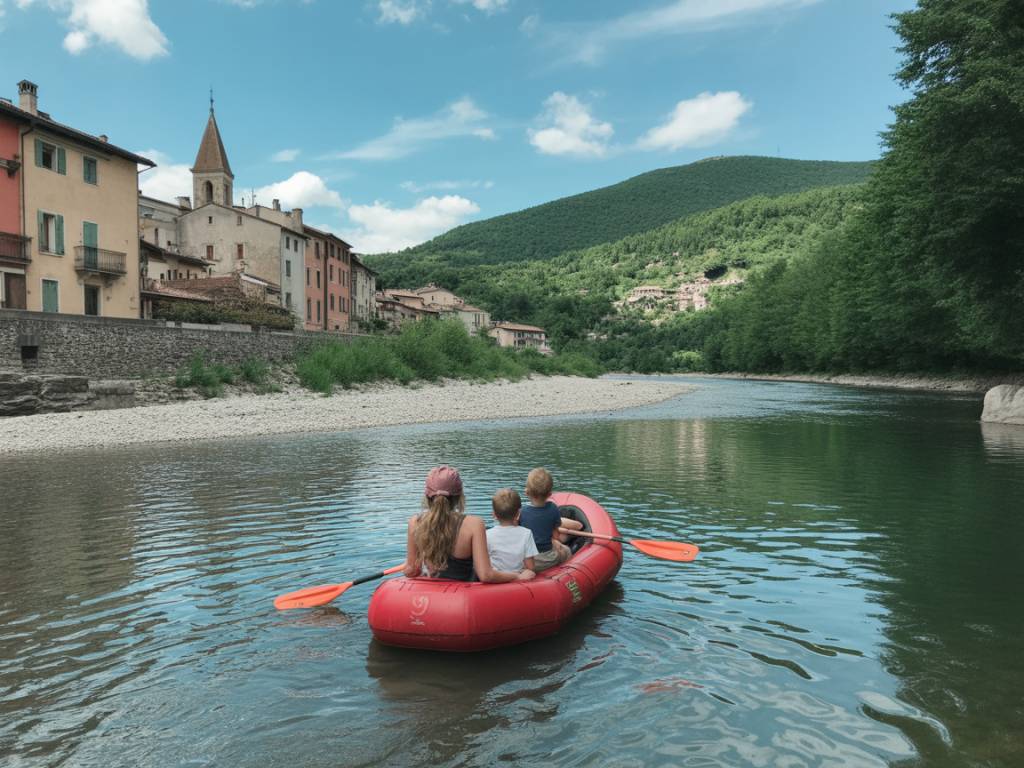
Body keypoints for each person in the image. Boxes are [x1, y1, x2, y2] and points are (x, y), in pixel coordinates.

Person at [403, 466, 534, 583]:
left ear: (427, 496)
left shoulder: (415, 523)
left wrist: (409, 566)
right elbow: (486, 575)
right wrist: (516, 575)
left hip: (431, 597)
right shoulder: (474, 524)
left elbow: (411, 571)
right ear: (459, 496)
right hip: (463, 597)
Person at [519, 467, 584, 572]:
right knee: (567, 550)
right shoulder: (553, 509)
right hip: (547, 558)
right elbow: (556, 536)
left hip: (526, 561)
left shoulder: (522, 512)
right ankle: (564, 573)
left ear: (527, 493)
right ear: (549, 494)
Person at [486, 488, 538, 575]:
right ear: (518, 514)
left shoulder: (487, 534)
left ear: (494, 515)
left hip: (497, 578)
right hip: (519, 579)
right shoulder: (526, 533)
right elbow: (531, 567)